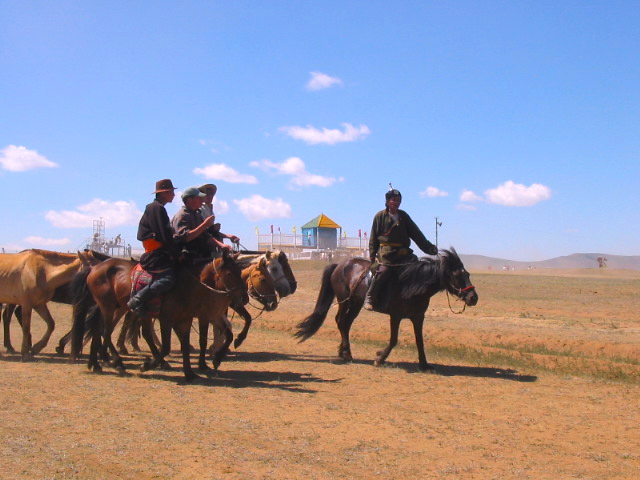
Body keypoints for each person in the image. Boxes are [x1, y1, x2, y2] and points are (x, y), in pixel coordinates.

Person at [363, 186, 438, 311]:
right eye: (393, 200)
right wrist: (372, 255)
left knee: (417, 270)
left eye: (398, 200)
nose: (396, 202)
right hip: (386, 254)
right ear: (387, 201)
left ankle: (413, 299)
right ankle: (370, 297)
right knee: (383, 272)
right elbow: (373, 237)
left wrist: (429, 248)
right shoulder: (379, 216)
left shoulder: (404, 216)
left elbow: (416, 234)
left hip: (404, 253)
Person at [127, 179, 180, 315]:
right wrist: (175, 252)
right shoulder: (156, 208)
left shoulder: (157, 208)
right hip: (155, 254)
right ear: (164, 193)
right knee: (168, 279)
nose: (174, 195)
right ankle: (139, 299)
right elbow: (163, 235)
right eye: (172, 192)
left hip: (160, 251)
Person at [171, 186, 228, 260]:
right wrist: (205, 225)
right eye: (199, 198)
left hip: (200, 256)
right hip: (186, 258)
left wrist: (222, 245)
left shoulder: (197, 215)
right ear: (189, 200)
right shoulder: (181, 216)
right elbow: (186, 237)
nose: (202, 200)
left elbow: (206, 236)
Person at [197, 183, 240, 248]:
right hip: (202, 246)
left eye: (211, 194)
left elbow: (209, 232)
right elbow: (202, 232)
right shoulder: (200, 209)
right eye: (207, 194)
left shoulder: (209, 209)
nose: (209, 196)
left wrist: (228, 236)